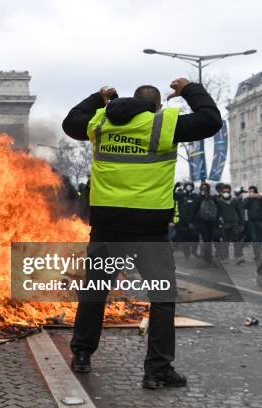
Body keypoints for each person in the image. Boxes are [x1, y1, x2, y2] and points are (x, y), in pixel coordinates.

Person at [62, 77, 222, 389]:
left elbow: (70, 123)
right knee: (162, 298)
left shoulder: (101, 123)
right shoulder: (163, 124)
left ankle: (82, 355)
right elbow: (211, 120)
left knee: (95, 291)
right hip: (150, 229)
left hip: (106, 227)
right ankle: (157, 371)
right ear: (158, 105)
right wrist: (190, 89)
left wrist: (98, 97)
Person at [216, 184, 245, 264]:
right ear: (222, 192)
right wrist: (219, 222)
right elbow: (217, 213)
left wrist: (242, 224)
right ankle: (225, 258)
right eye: (224, 191)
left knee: (236, 240)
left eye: (227, 190)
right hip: (224, 224)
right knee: (225, 241)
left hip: (234, 223)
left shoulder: (234, 201)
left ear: (230, 191)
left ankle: (238, 257)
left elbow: (240, 213)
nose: (226, 192)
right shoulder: (218, 201)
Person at [174, 182, 200, 259]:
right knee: (186, 238)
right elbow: (172, 195)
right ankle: (187, 253)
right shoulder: (182, 196)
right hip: (183, 221)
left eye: (190, 186)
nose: (189, 188)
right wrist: (176, 186)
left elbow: (198, 208)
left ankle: (194, 251)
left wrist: (194, 220)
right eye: (187, 186)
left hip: (193, 221)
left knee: (195, 237)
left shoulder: (195, 196)